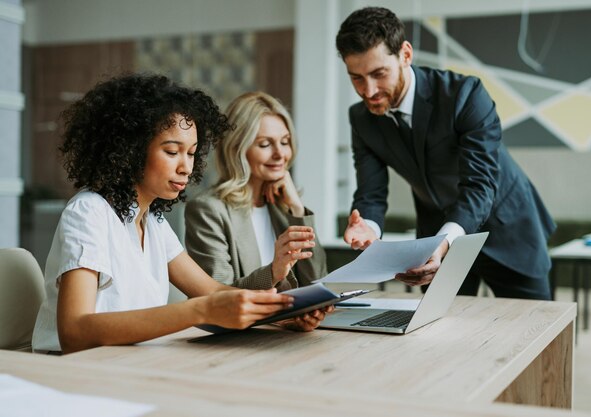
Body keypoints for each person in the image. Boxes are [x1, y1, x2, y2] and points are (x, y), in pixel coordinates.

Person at [32, 74, 329, 355]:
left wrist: (280, 314)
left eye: (191, 153)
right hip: (77, 371)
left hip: (130, 364)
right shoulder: (89, 212)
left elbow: (213, 292)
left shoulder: (154, 221)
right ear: (130, 150)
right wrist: (198, 310)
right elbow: (73, 332)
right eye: (172, 152)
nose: (186, 167)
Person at [335, 7, 556, 300]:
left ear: (405, 54)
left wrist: (443, 243)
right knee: (441, 336)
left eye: (379, 74)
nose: (369, 90)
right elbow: (371, 192)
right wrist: (368, 226)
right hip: (436, 232)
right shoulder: (362, 119)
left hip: (506, 228)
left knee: (536, 329)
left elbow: (479, 186)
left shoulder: (465, 95)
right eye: (357, 78)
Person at [185, 91, 327, 291]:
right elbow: (218, 296)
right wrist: (273, 272)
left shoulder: (283, 208)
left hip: (290, 322)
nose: (280, 154)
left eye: (285, 142)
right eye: (265, 144)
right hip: (249, 323)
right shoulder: (208, 210)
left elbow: (317, 282)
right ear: (238, 149)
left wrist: (297, 209)